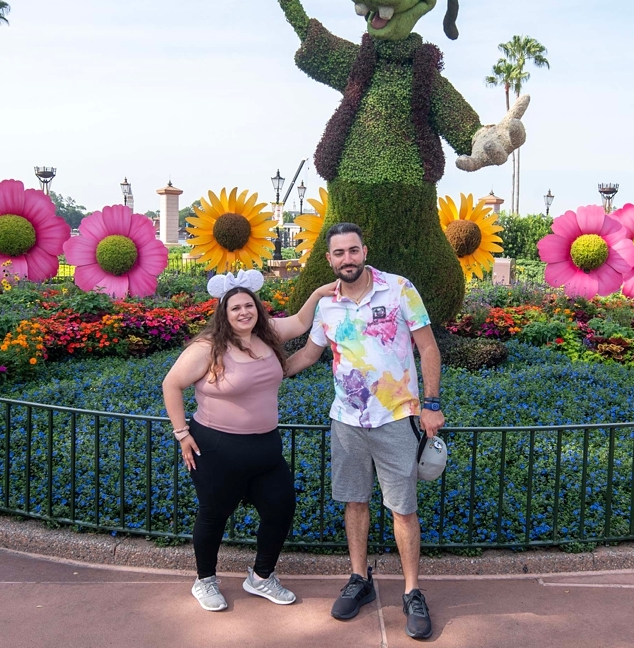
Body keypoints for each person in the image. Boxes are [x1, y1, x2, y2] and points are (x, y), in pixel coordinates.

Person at [286, 222, 444, 641]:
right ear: (329, 259)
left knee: (402, 508)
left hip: (396, 417)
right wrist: (266, 373)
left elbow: (428, 347)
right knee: (355, 503)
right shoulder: (326, 306)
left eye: (353, 251)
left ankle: (411, 591)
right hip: (347, 422)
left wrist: (431, 404)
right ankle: (360, 579)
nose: (347, 259)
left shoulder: (398, 289)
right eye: (339, 254)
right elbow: (308, 352)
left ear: (364, 251)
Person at [162, 270, 335, 612]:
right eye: (235, 308)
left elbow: (301, 322)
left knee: (281, 506)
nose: (244, 312)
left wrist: (318, 293)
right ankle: (205, 581)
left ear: (257, 307)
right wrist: (182, 433)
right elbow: (171, 384)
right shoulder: (208, 347)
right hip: (215, 449)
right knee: (214, 514)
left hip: (265, 448)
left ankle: (261, 577)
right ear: (224, 315)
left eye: (248, 305)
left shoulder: (268, 334)